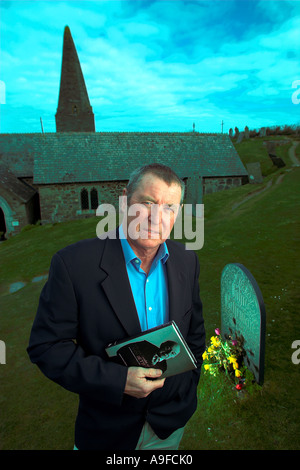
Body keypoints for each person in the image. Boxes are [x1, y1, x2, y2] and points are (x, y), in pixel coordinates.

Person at [27, 163, 205, 450]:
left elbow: (195, 333)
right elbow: (46, 346)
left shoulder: (187, 261)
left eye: (169, 208)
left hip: (169, 427)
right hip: (107, 430)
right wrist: (117, 380)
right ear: (124, 200)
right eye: (148, 203)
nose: (157, 218)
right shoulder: (74, 265)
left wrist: (187, 386)